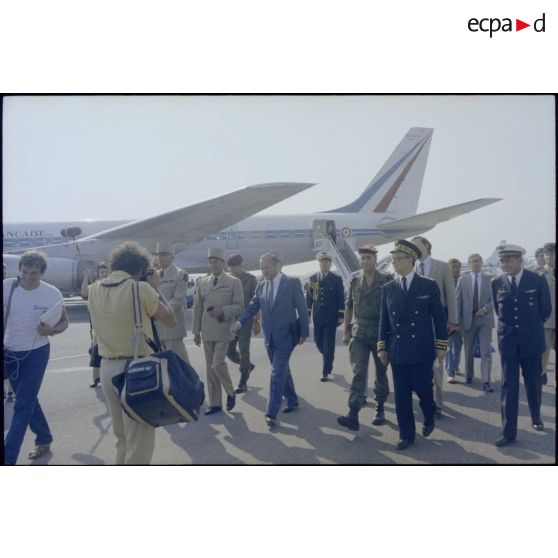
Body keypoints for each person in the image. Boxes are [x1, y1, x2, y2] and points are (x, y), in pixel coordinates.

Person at [88, 241, 176, 464]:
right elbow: (170, 320)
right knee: (140, 436)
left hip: (107, 368)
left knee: (122, 436)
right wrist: (154, 286)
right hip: (137, 369)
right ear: (139, 268)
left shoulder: (93, 290)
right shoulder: (141, 288)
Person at [378, 240, 448, 450]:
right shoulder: (389, 288)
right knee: (401, 396)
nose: (394, 263)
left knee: (423, 389)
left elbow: (439, 318)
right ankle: (406, 435)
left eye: (398, 259)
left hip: (422, 350)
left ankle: (429, 413)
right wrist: (382, 346)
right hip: (398, 351)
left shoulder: (428, 285)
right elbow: (384, 321)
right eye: (393, 259)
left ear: (411, 260)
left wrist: (441, 345)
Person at [3, 251, 69, 464]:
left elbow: (64, 322)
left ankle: (8, 458)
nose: (28, 277)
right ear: (19, 270)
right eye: (24, 272)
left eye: (34, 274)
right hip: (10, 352)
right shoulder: (7, 287)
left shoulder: (51, 293)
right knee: (28, 398)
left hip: (37, 354)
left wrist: (52, 331)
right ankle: (44, 437)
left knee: (22, 405)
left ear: (42, 273)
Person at [231, 252, 309, 428]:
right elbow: (252, 308)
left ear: (277, 265)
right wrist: (239, 322)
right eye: (262, 268)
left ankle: (271, 413)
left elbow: (303, 309)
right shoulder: (261, 286)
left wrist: (304, 331)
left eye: (267, 267)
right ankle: (292, 399)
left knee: (276, 372)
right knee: (282, 370)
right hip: (270, 337)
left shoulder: (291, 283)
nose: (264, 271)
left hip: (287, 336)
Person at [491, 244, 551, 446]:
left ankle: (536, 417)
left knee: (533, 383)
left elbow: (546, 310)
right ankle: (508, 432)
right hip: (508, 342)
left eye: (509, 260)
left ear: (520, 261)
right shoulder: (497, 282)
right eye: (502, 261)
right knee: (509, 386)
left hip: (531, 342)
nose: (504, 264)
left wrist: (530, 328)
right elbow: (500, 313)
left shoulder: (536, 280)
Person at [337, 244, 391, 431]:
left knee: (381, 372)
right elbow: (349, 306)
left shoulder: (386, 281)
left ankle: (380, 406)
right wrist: (346, 331)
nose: (365, 261)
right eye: (363, 258)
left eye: (369, 258)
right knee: (358, 371)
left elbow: (391, 310)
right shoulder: (354, 282)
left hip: (379, 333)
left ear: (375, 260)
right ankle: (353, 412)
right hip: (359, 333)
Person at [193, 248, 244, 415]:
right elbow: (198, 308)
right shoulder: (202, 282)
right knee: (210, 369)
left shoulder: (233, 282)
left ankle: (230, 392)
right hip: (207, 330)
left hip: (224, 329)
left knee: (217, 364)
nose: (213, 265)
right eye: (210, 262)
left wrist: (223, 311)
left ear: (222, 263)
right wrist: (196, 331)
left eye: (216, 262)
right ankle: (215, 403)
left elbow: (239, 306)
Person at [412, 236, 457, 417]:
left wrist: (452, 320)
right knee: (421, 364)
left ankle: (438, 402)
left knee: (438, 363)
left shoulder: (442, 266)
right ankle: (425, 400)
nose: (415, 248)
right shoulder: (412, 268)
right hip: (417, 325)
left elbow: (451, 294)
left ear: (427, 246)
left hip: (437, 322)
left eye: (418, 244)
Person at [456, 254, 495, 391]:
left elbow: (494, 299)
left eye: (478, 261)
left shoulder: (490, 279)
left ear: (481, 263)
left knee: (486, 352)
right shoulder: (463, 280)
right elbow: (458, 301)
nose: (476, 264)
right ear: (469, 264)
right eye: (473, 262)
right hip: (468, 320)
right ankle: (469, 375)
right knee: (468, 350)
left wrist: (485, 309)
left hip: (485, 320)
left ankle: (486, 381)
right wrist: (456, 321)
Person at [306, 251, 344, 382]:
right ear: (319, 263)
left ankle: (325, 370)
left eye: (327, 262)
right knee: (318, 342)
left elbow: (340, 297)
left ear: (330, 264)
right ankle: (328, 356)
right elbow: (310, 297)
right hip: (318, 316)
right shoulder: (313, 278)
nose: (324, 264)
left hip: (331, 317)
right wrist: (308, 313)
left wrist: (341, 315)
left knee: (328, 344)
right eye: (322, 262)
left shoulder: (336, 279)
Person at [226, 253, 259, 393]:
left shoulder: (250, 280)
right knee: (229, 351)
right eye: (230, 267)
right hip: (229, 321)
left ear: (241, 266)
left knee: (244, 350)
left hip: (245, 321)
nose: (233, 270)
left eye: (235, 267)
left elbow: (256, 302)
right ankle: (247, 366)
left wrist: (257, 320)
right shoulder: (227, 280)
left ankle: (243, 381)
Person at [154, 242, 191, 365]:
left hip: (173, 325)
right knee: (167, 363)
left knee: (180, 361)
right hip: (160, 325)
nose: (160, 258)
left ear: (172, 256)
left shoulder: (180, 274)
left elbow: (178, 300)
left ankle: (190, 383)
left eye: (164, 255)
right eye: (159, 255)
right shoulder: (156, 275)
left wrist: (157, 310)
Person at [81, 262, 111, 388]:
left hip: (110, 324)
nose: (104, 274)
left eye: (106, 272)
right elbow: (83, 293)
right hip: (98, 326)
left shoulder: (112, 286)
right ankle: (96, 378)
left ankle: (110, 377)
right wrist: (86, 277)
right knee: (96, 352)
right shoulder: (94, 287)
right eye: (102, 272)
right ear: (98, 273)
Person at [538, 242, 555, 387]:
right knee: (544, 350)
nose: (550, 257)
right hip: (547, 319)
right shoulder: (540, 273)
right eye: (547, 254)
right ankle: (542, 373)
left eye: (552, 254)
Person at [445, 258, 463, 382]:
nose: (456, 270)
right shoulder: (445, 283)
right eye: (453, 267)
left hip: (461, 321)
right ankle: (450, 372)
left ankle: (455, 365)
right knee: (449, 347)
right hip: (448, 322)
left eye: (458, 267)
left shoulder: (464, 282)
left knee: (458, 346)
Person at [3, 261, 15, 403]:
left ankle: (11, 392)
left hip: (9, 332)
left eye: (5, 272)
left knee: (11, 363)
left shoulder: (10, 288)